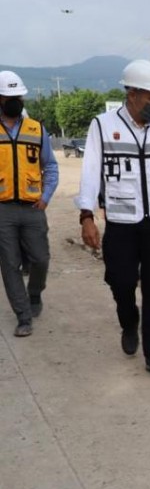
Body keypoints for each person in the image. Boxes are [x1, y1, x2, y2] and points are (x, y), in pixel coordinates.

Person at [75, 60, 150, 380]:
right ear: (131, 94)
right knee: (121, 282)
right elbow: (90, 172)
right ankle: (128, 322)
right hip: (121, 222)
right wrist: (87, 215)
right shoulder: (102, 126)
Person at [0, 70, 59, 337]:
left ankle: (34, 293)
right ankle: (23, 317)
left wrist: (45, 198)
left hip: (33, 209)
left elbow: (52, 168)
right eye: (10, 97)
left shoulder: (36, 129)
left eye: (19, 96)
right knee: (9, 265)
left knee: (41, 259)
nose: (16, 101)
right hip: (3, 211)